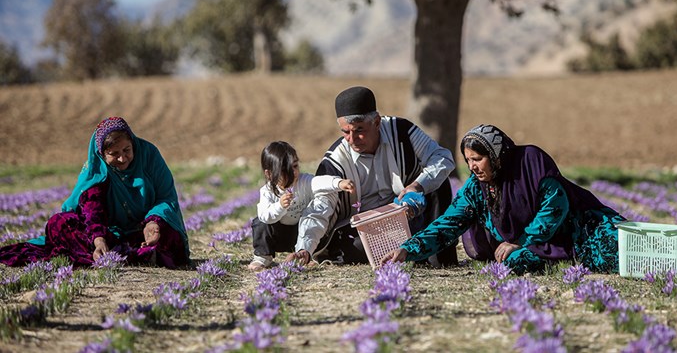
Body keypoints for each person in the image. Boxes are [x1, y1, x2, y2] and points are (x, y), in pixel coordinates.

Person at [382, 124, 625, 274]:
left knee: (622, 252)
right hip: (530, 246)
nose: (472, 167)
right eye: (468, 161)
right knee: (512, 261)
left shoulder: (531, 162)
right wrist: (407, 249)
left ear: (496, 156)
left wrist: (521, 240)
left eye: (477, 158)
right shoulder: (477, 189)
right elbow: (448, 224)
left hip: (578, 231)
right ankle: (549, 260)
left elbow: (555, 207)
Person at [291, 86, 459, 267]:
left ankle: (440, 258)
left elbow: (442, 158)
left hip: (409, 216)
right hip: (366, 232)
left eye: (359, 130)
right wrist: (304, 248)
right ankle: (415, 252)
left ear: (377, 122)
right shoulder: (334, 163)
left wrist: (417, 186)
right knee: (355, 247)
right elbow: (319, 209)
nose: (352, 139)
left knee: (439, 185)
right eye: (345, 132)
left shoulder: (402, 132)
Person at [0, 117, 189, 268]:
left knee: (170, 234)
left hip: (143, 232)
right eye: (114, 154)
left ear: (133, 143)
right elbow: (92, 211)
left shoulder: (149, 155)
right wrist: (98, 240)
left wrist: (154, 224)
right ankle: (122, 255)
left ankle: (132, 253)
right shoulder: (97, 172)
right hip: (107, 234)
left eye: (127, 150)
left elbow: (166, 196)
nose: (123, 158)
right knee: (58, 224)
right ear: (102, 154)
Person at [249, 141, 355, 271]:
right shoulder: (267, 191)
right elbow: (265, 217)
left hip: (300, 232)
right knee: (259, 222)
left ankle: (308, 254)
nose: (293, 172)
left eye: (294, 166)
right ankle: (263, 257)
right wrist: (280, 206)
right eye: (285, 169)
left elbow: (319, 182)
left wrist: (338, 183)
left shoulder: (304, 181)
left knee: (315, 221)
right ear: (269, 174)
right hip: (280, 235)